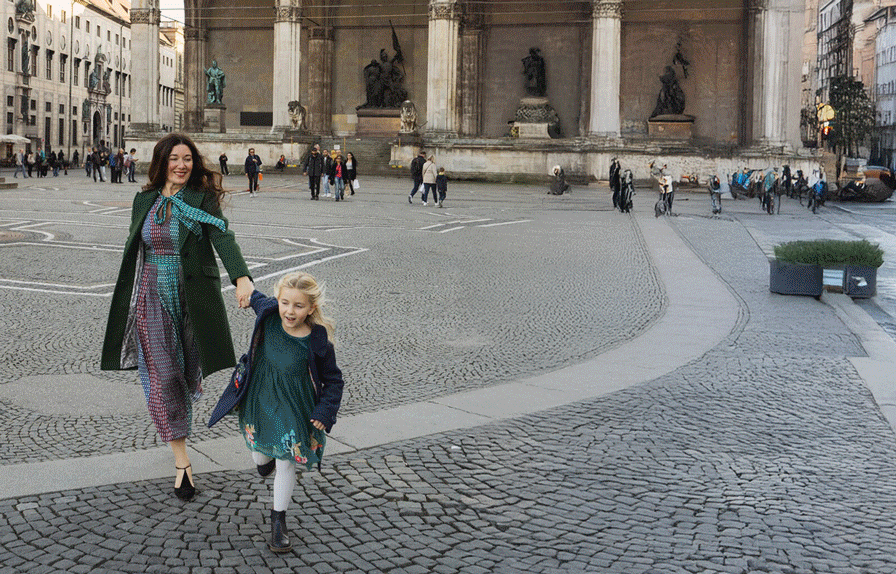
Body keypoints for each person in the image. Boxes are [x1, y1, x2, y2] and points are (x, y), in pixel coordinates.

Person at [101, 132, 255, 502]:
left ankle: (181, 415)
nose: (181, 165)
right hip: (151, 294)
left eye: (187, 159)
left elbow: (222, 237)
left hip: (192, 296)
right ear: (162, 162)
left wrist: (241, 277)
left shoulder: (201, 198)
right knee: (164, 375)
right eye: (174, 159)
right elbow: (135, 247)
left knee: (185, 373)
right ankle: (182, 461)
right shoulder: (145, 200)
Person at [230, 271, 343, 553]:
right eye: (285, 303)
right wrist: (242, 285)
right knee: (260, 455)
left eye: (298, 306)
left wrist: (325, 411)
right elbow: (252, 294)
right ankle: (264, 459)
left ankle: (278, 520)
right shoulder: (269, 314)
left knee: (286, 461)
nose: (290, 311)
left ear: (311, 308)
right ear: (278, 301)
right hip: (261, 401)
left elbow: (334, 381)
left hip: (294, 408)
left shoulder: (317, 341)